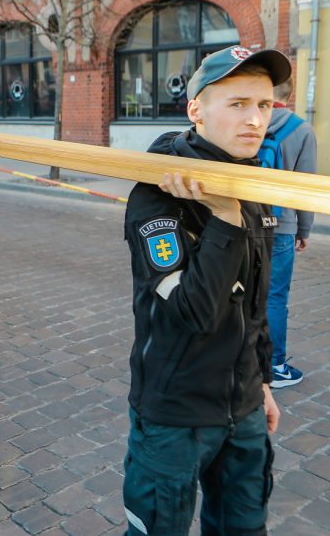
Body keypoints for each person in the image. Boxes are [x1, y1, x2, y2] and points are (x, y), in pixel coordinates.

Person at [121, 46, 288, 535]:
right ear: (196, 109)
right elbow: (195, 312)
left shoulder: (250, 181)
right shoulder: (156, 195)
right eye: (237, 104)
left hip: (244, 409)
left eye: (264, 105)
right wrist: (224, 216)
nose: (255, 119)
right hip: (177, 415)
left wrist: (260, 384)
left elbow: (254, 305)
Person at [264, 78, 317, 388]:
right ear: (290, 94)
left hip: (241, 221)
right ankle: (274, 366)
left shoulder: (247, 121)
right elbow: (304, 189)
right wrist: (303, 228)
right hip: (280, 226)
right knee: (274, 297)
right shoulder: (301, 129)